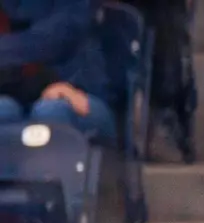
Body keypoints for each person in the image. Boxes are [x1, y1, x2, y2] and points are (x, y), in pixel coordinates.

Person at [0, 0, 117, 146]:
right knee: (3, 109)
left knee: (51, 110)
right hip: (25, 96)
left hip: (82, 95)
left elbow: (53, 40)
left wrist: (56, 85)